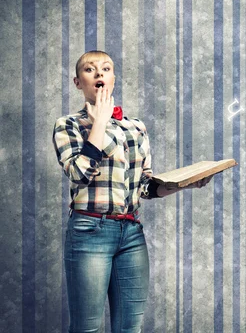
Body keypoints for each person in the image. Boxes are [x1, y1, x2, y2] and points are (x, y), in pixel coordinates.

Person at [52, 50, 211, 332]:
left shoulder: (135, 127)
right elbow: (79, 173)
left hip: (131, 234)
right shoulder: (69, 125)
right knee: (86, 327)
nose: (99, 73)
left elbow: (144, 187)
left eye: (106, 68)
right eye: (90, 70)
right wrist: (99, 121)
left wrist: (182, 184)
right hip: (89, 232)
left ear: (113, 77)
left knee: (130, 328)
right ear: (78, 82)